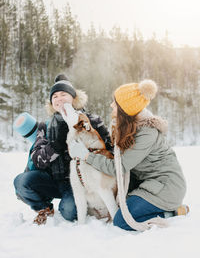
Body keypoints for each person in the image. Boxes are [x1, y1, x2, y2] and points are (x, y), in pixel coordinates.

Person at [68, 79, 189, 231]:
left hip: (166, 187)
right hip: (148, 183)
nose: (111, 105)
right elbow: (115, 154)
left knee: (122, 220)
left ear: (125, 110)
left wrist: (87, 156)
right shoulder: (125, 127)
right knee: (120, 205)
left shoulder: (146, 133)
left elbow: (118, 167)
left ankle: (171, 212)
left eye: (115, 103)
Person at [13, 74, 112, 225]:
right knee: (22, 182)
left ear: (74, 98)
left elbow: (108, 148)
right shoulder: (45, 126)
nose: (59, 99)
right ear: (51, 103)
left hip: (81, 180)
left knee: (69, 212)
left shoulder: (91, 121)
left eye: (64, 95)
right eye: (55, 96)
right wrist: (55, 146)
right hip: (53, 179)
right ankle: (44, 208)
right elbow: (37, 160)